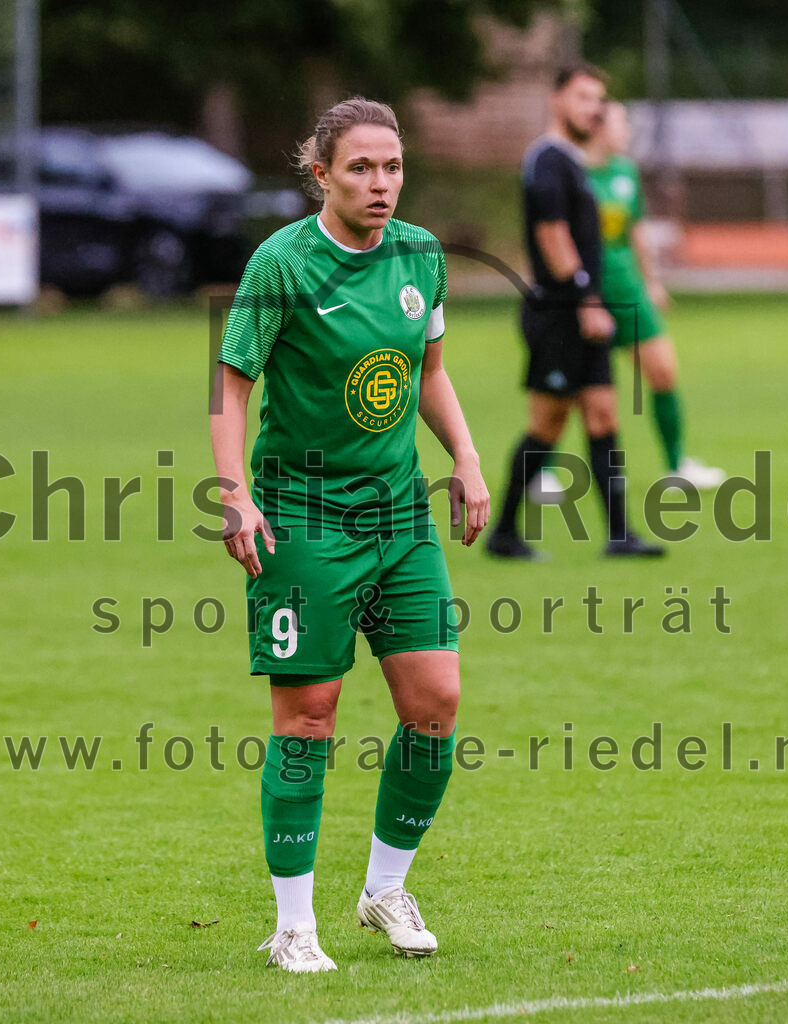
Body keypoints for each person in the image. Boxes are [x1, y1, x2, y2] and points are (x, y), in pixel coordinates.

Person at [210, 97, 489, 973]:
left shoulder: (422, 256)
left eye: (393, 166)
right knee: (308, 716)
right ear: (321, 172)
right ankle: (294, 925)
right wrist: (235, 495)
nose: (381, 184)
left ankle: (385, 889)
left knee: (435, 704)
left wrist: (469, 459)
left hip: (400, 514)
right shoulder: (282, 264)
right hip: (303, 518)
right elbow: (231, 388)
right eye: (362, 168)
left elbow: (428, 371)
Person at [486, 64, 663, 559]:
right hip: (562, 313)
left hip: (586, 311)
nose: (594, 108)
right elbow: (551, 234)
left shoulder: (573, 160)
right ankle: (502, 532)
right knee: (547, 423)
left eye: (600, 100)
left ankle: (621, 535)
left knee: (604, 415)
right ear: (557, 99)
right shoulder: (547, 159)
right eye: (584, 97)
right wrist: (586, 298)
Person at [582, 100, 724, 489]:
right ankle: (540, 471)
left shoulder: (625, 172)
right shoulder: (572, 173)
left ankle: (678, 464)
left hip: (628, 288)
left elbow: (637, 232)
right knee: (574, 392)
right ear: (595, 127)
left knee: (663, 371)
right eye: (620, 122)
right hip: (586, 294)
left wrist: (652, 281)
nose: (626, 130)